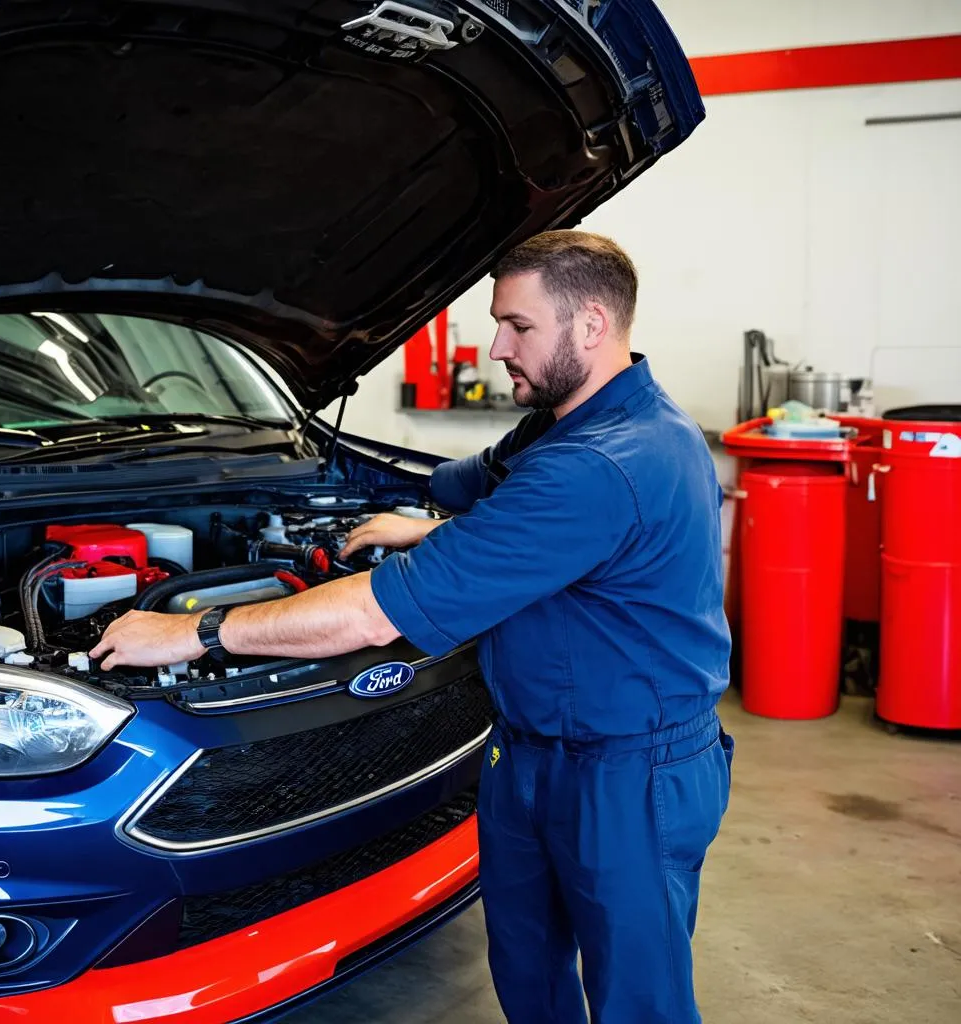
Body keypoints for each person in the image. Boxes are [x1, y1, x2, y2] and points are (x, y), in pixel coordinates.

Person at [91, 230, 734, 1024]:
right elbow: (469, 487)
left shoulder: (608, 460)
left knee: (641, 1000)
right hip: (527, 750)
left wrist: (197, 632)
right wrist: (410, 519)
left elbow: (370, 611)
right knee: (528, 968)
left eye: (518, 326)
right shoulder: (564, 424)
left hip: (628, 776)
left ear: (593, 324)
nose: (497, 346)